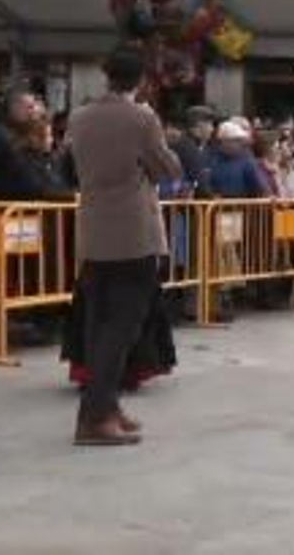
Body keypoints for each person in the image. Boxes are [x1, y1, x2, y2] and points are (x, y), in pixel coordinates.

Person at [65, 47, 182, 447]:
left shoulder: (79, 117)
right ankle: (95, 416)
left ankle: (105, 407)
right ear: (142, 80)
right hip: (133, 232)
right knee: (124, 326)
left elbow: (72, 165)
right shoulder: (141, 117)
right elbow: (167, 168)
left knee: (98, 322)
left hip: (93, 230)